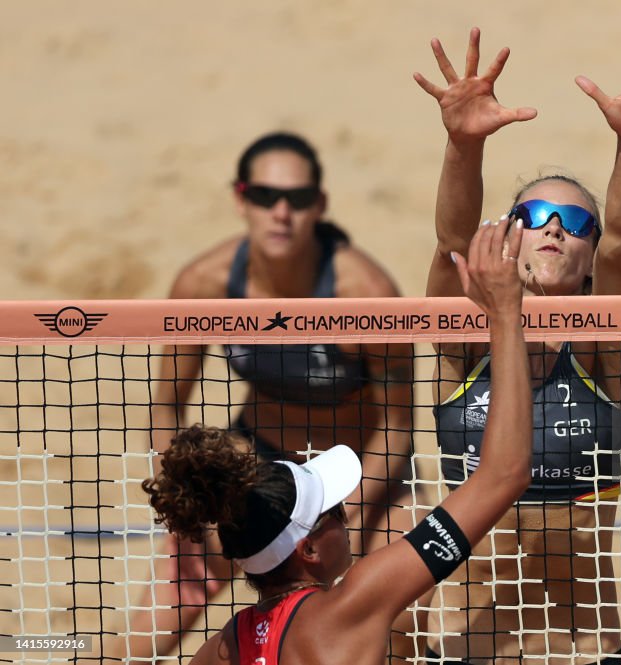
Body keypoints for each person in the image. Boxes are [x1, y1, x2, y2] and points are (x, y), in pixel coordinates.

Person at [414, 28, 621, 663]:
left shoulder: (603, 352)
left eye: (575, 224)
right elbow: (450, 243)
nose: (554, 231)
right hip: (464, 644)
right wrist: (462, 145)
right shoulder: (468, 344)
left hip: (580, 647)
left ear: (590, 256)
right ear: (505, 239)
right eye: (535, 217)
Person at [143, 217, 529, 665]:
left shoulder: (222, 649)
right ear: (307, 549)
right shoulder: (356, 604)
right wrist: (504, 313)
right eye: (332, 512)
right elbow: (505, 473)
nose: (346, 517)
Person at [120, 132, 416, 661]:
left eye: (298, 199)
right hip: (253, 473)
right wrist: (194, 504)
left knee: (401, 615)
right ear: (241, 199)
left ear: (319, 205)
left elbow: (397, 427)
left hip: (356, 477)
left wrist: (344, 514)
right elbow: (167, 406)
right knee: (141, 636)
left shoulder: (366, 296)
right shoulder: (206, 285)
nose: (282, 212)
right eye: (264, 196)